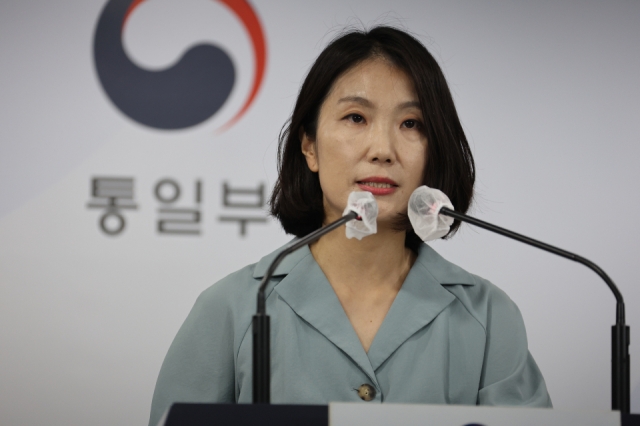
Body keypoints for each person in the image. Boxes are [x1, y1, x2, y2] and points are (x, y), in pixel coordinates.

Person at [148, 25, 551, 426]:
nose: (382, 150)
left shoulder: (489, 317)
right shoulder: (231, 310)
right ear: (309, 146)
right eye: (356, 117)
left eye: (411, 124)